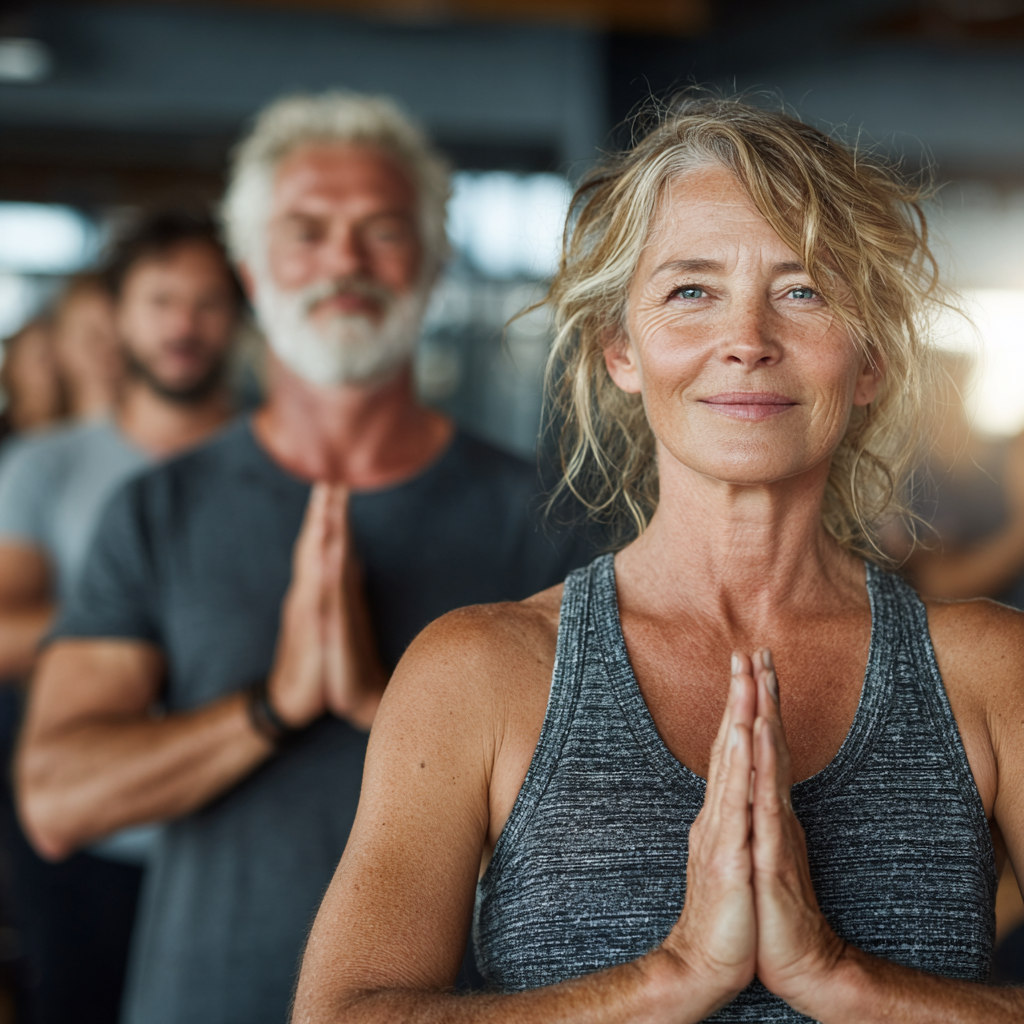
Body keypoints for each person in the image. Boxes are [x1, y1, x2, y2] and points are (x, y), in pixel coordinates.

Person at [292, 99, 1024, 1023]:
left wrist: (842, 978)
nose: (748, 340)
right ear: (619, 350)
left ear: (869, 358)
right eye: (691, 291)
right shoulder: (480, 672)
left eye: (805, 291)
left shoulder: (993, 672)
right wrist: (669, 979)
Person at [16, 91, 595, 1024]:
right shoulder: (161, 507)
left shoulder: (551, 518)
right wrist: (272, 706)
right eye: (307, 230)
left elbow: (617, 831)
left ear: (435, 262)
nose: (344, 261)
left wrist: (393, 709)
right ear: (251, 268)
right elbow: (57, 798)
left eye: (382, 230)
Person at [0, 209, 241, 1024]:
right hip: (94, 830)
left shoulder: (293, 464)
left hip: (242, 827)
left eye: (207, 302)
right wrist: (139, 624)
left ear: (239, 314)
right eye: (161, 300)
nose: (183, 324)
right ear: (119, 315)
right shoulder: (48, 465)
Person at [901, 349, 1024, 609]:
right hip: (986, 630)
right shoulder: (915, 478)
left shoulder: (1010, 450)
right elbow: (942, 584)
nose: (944, 389)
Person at [50, 273, 123, 422]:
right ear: (59, 343)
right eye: (92, 336)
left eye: (117, 334)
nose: (108, 349)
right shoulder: (32, 439)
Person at [0, 318, 64, 444]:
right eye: (42, 358)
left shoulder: (76, 425)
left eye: (56, 358)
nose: (52, 368)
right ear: (14, 369)